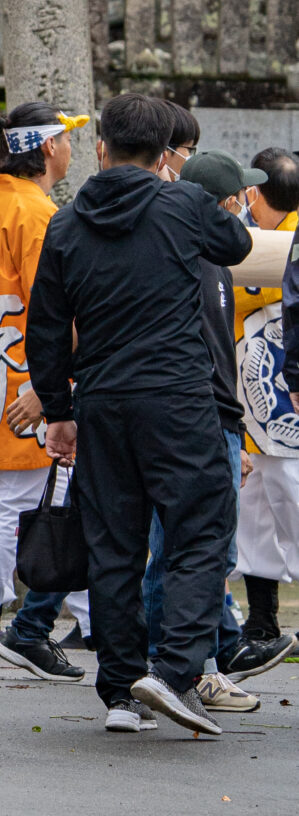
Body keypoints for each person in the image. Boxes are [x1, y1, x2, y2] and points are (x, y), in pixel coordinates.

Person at [27, 91, 254, 739]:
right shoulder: (181, 202)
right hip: (177, 397)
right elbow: (234, 243)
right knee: (200, 528)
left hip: (99, 400)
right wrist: (177, 187)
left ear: (99, 147)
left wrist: (58, 410)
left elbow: (45, 327)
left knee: (114, 546)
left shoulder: (66, 223)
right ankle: (176, 669)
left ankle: (120, 692)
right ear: (163, 155)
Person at [0, 101, 89, 677]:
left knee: (46, 499)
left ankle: (86, 612)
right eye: (68, 138)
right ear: (50, 147)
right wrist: (56, 384)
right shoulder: (36, 213)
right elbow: (54, 309)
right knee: (22, 503)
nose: (73, 147)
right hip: (25, 375)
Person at [133, 148, 265, 712]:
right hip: (195, 421)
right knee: (182, 550)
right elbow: (208, 356)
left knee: (199, 549)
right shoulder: (195, 257)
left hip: (212, 419)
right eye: (240, 198)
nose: (246, 208)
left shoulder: (208, 258)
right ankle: (179, 666)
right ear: (227, 203)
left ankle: (195, 662)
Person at [229, 147, 299, 668]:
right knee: (251, 515)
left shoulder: (280, 236)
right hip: (248, 402)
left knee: (295, 506)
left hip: (286, 399)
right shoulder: (247, 230)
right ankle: (261, 621)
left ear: (256, 191)